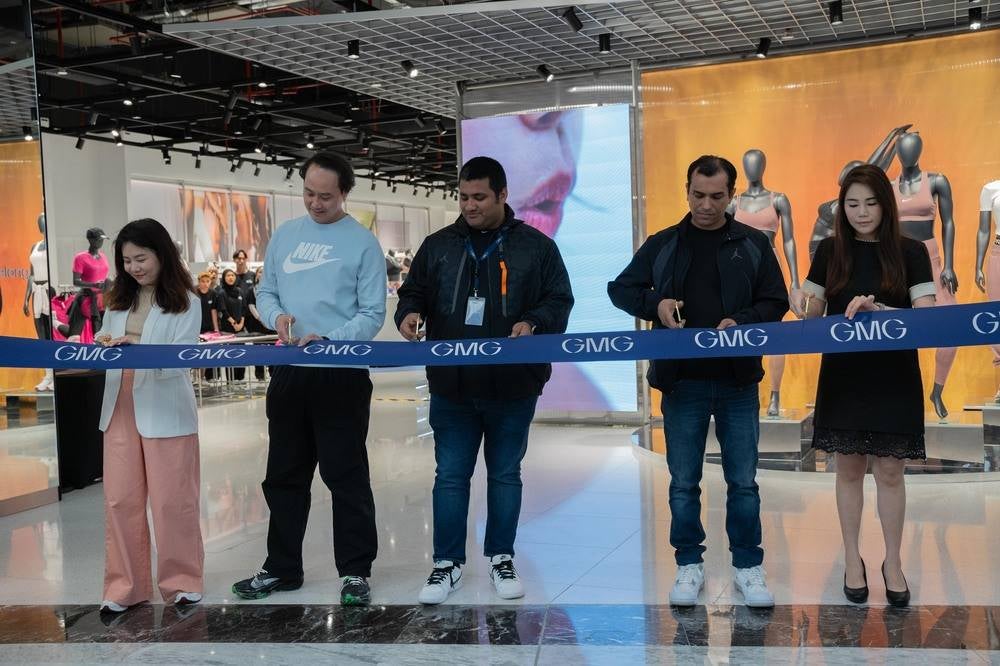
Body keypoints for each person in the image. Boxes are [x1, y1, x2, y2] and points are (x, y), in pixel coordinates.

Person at [607, 155, 788, 608]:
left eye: (717, 196)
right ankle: (689, 563)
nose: (706, 205)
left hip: (737, 381)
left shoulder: (752, 243)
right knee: (683, 481)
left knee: (743, 481)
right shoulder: (664, 243)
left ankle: (748, 566)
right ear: (686, 191)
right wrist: (656, 304)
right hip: (682, 383)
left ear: (730, 196)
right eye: (698, 195)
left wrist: (743, 320)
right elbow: (620, 288)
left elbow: (776, 299)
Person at [396, 156, 574, 605]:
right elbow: (412, 291)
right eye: (463, 197)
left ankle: (500, 557)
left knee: (505, 474)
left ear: (502, 195)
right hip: (452, 386)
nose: (470, 206)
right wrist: (409, 314)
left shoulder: (536, 247)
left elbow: (560, 298)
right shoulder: (438, 246)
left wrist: (534, 321)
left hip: (513, 387)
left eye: (479, 197)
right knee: (451, 476)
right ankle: (447, 564)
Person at [231, 151, 386, 606]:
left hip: (341, 375)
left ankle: (355, 571)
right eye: (308, 193)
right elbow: (267, 289)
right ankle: (281, 567)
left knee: (346, 474)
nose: (315, 203)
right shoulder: (285, 236)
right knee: (284, 474)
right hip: (290, 371)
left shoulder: (362, 243)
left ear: (345, 194)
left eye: (326, 196)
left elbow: (373, 313)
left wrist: (332, 341)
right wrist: (276, 317)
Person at [790, 164, 935, 608]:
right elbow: (813, 313)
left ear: (885, 205)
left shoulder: (911, 252)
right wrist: (802, 304)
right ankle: (853, 560)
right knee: (848, 470)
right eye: (852, 204)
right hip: (844, 375)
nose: (861, 212)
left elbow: (927, 317)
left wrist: (882, 310)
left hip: (894, 376)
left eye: (870, 203)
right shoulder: (830, 250)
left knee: (891, 471)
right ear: (842, 208)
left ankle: (893, 562)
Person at [92, 218, 203, 614]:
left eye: (141, 258)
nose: (134, 268)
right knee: (120, 499)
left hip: (164, 405)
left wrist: (135, 345)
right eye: (126, 260)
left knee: (173, 499)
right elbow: (107, 340)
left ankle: (182, 582)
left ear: (161, 254)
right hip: (120, 404)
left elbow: (182, 357)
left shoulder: (187, 301)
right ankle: (124, 587)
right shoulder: (118, 298)